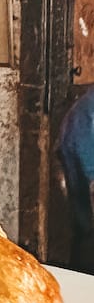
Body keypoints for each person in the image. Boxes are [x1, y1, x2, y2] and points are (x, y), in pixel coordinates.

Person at [56, 86, 94, 273]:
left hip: (76, 157)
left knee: (83, 225)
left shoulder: (86, 104)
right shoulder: (88, 109)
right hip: (81, 163)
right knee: (85, 229)